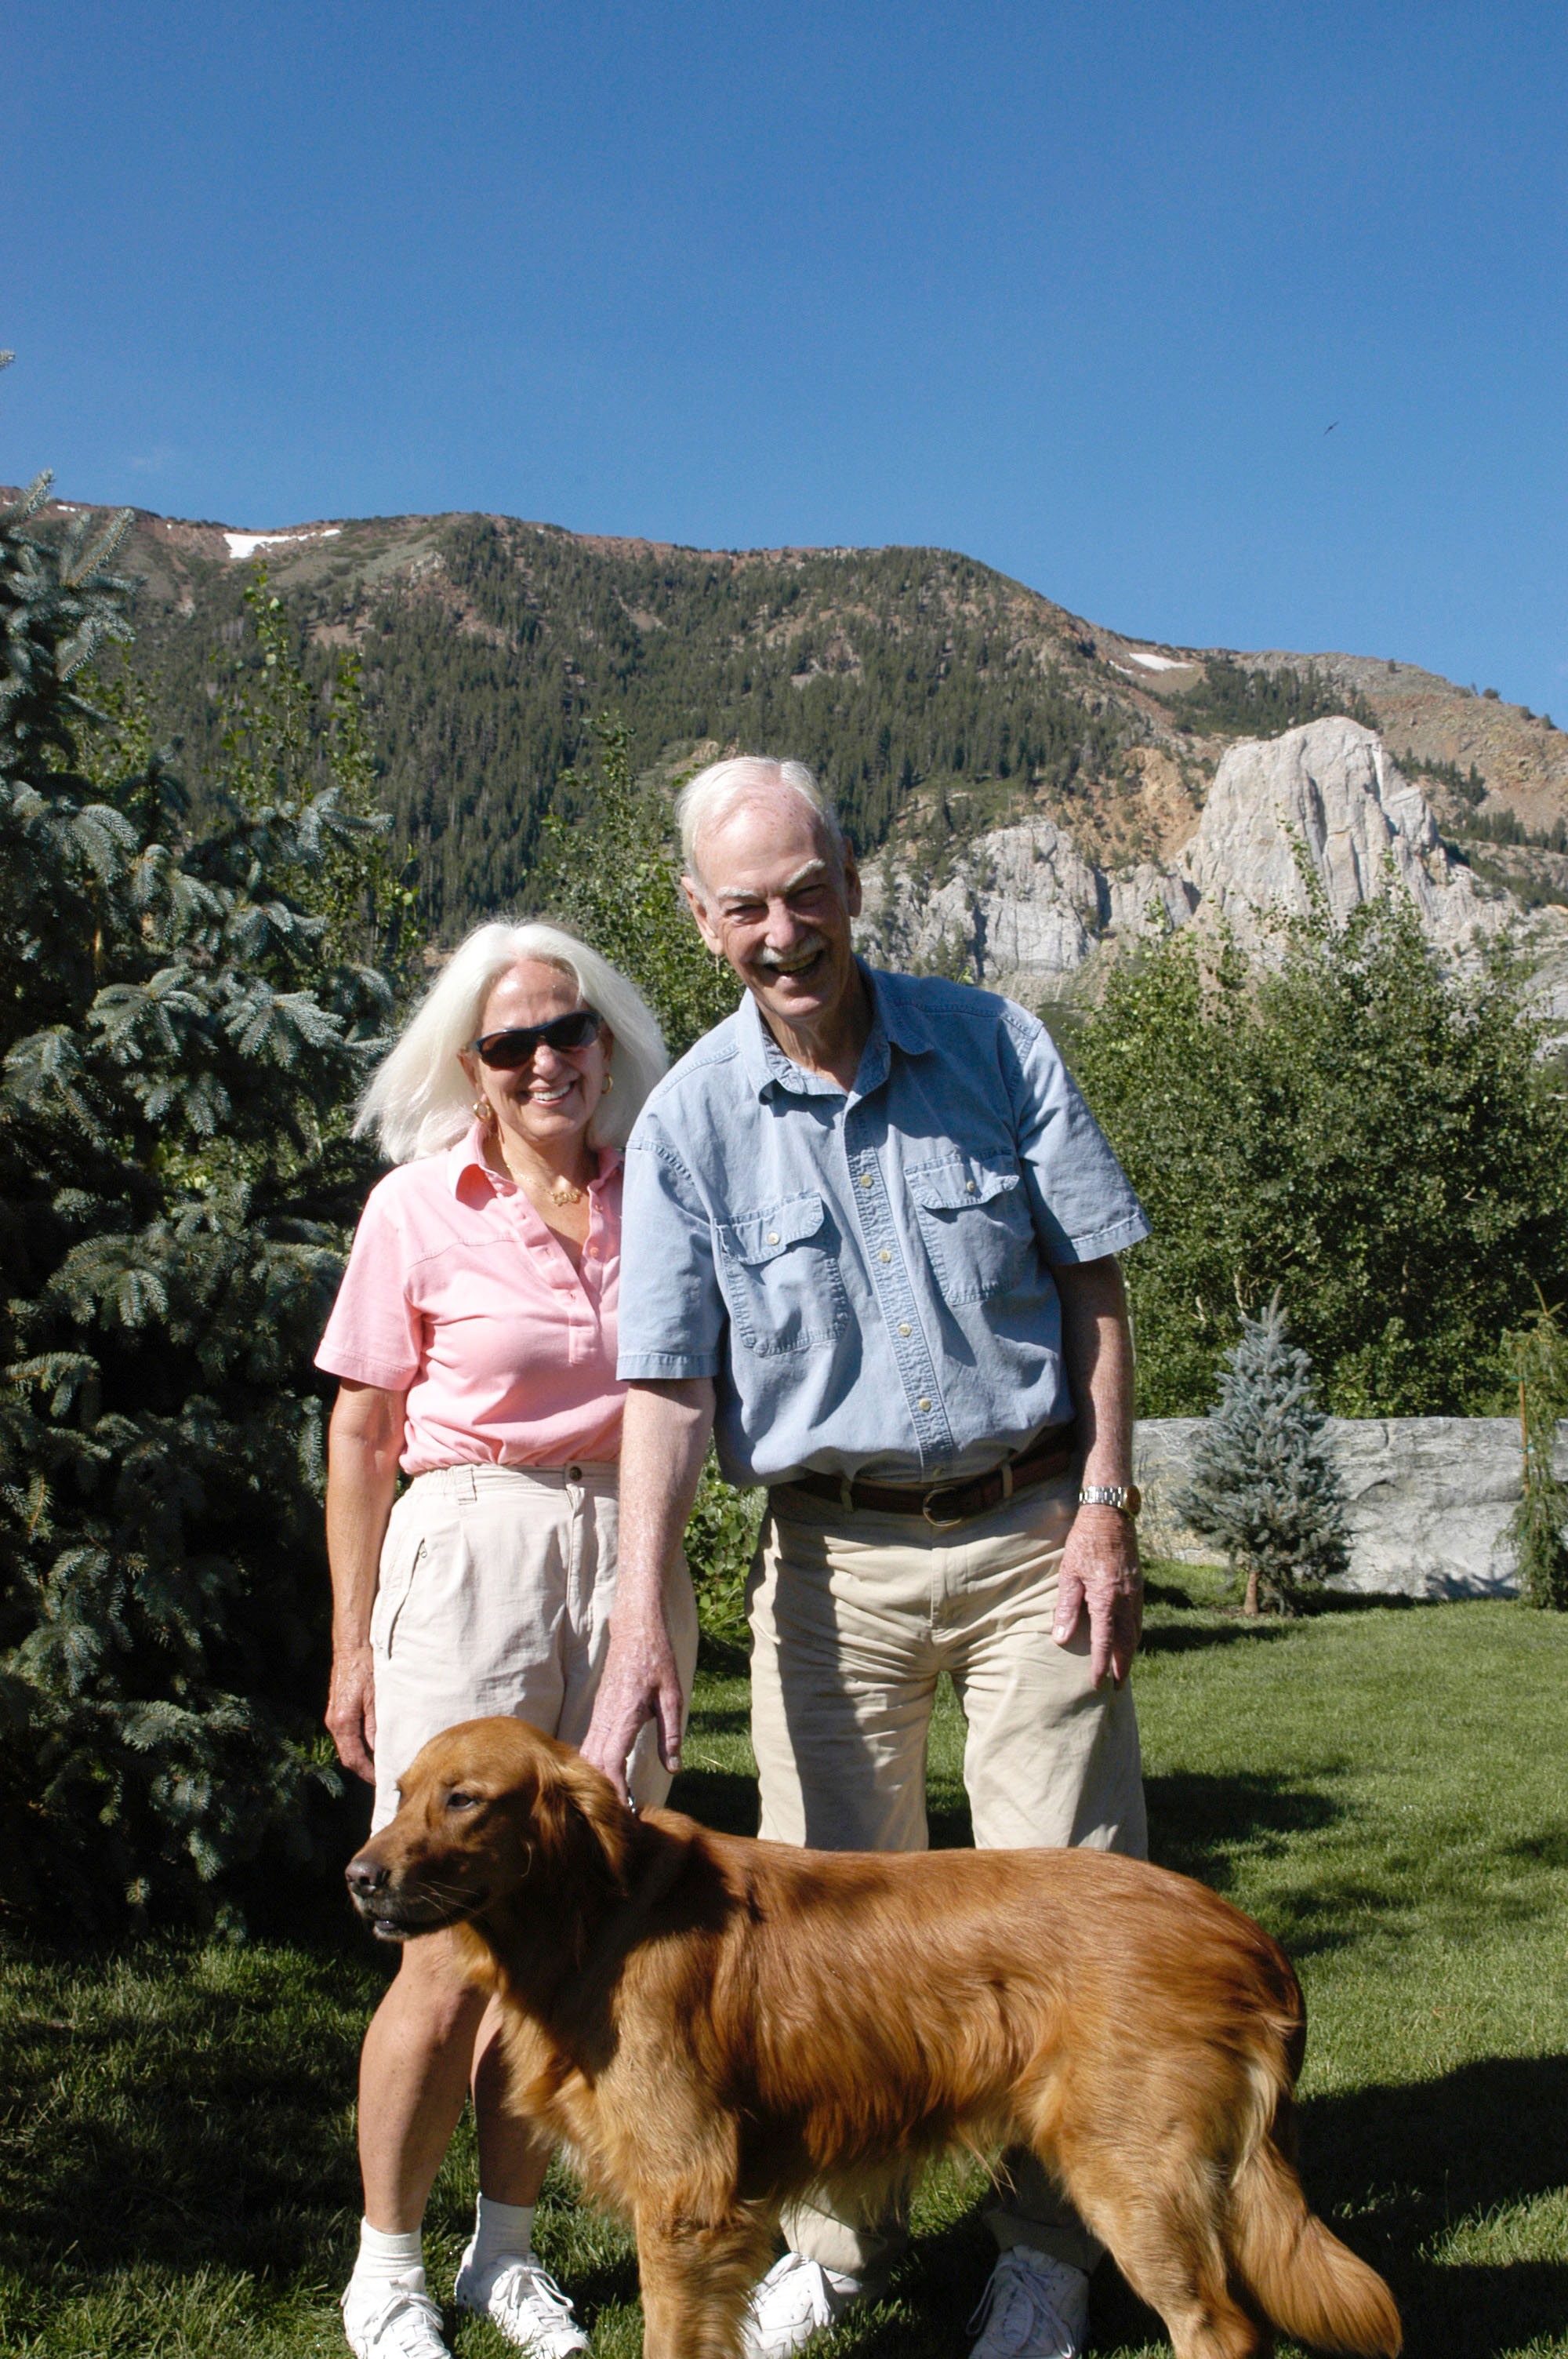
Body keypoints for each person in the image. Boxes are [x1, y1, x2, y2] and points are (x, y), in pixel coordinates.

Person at [582, 758, 1149, 2359]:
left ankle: (1050, 2252)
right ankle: (842, 2238)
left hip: (1034, 1532)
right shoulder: (687, 1122)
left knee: (1064, 1906)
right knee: (826, 1939)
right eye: (745, 908)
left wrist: (1106, 1500)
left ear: (852, 880)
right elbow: (668, 1387)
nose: (784, 932)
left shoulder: (994, 1044)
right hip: (829, 1563)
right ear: (701, 921)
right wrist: (642, 1624)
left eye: (805, 892)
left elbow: (1095, 1285)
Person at [318, 920, 699, 2359]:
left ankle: (508, 2253)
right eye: (510, 1043)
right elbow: (362, 1435)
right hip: (470, 1548)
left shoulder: (663, 1189)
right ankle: (387, 2267)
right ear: (469, 1068)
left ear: (608, 1039)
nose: (547, 1061)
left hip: (633, 1554)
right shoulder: (417, 1207)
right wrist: (353, 1647)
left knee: (581, 1926)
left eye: (569, 1029)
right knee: (440, 1940)